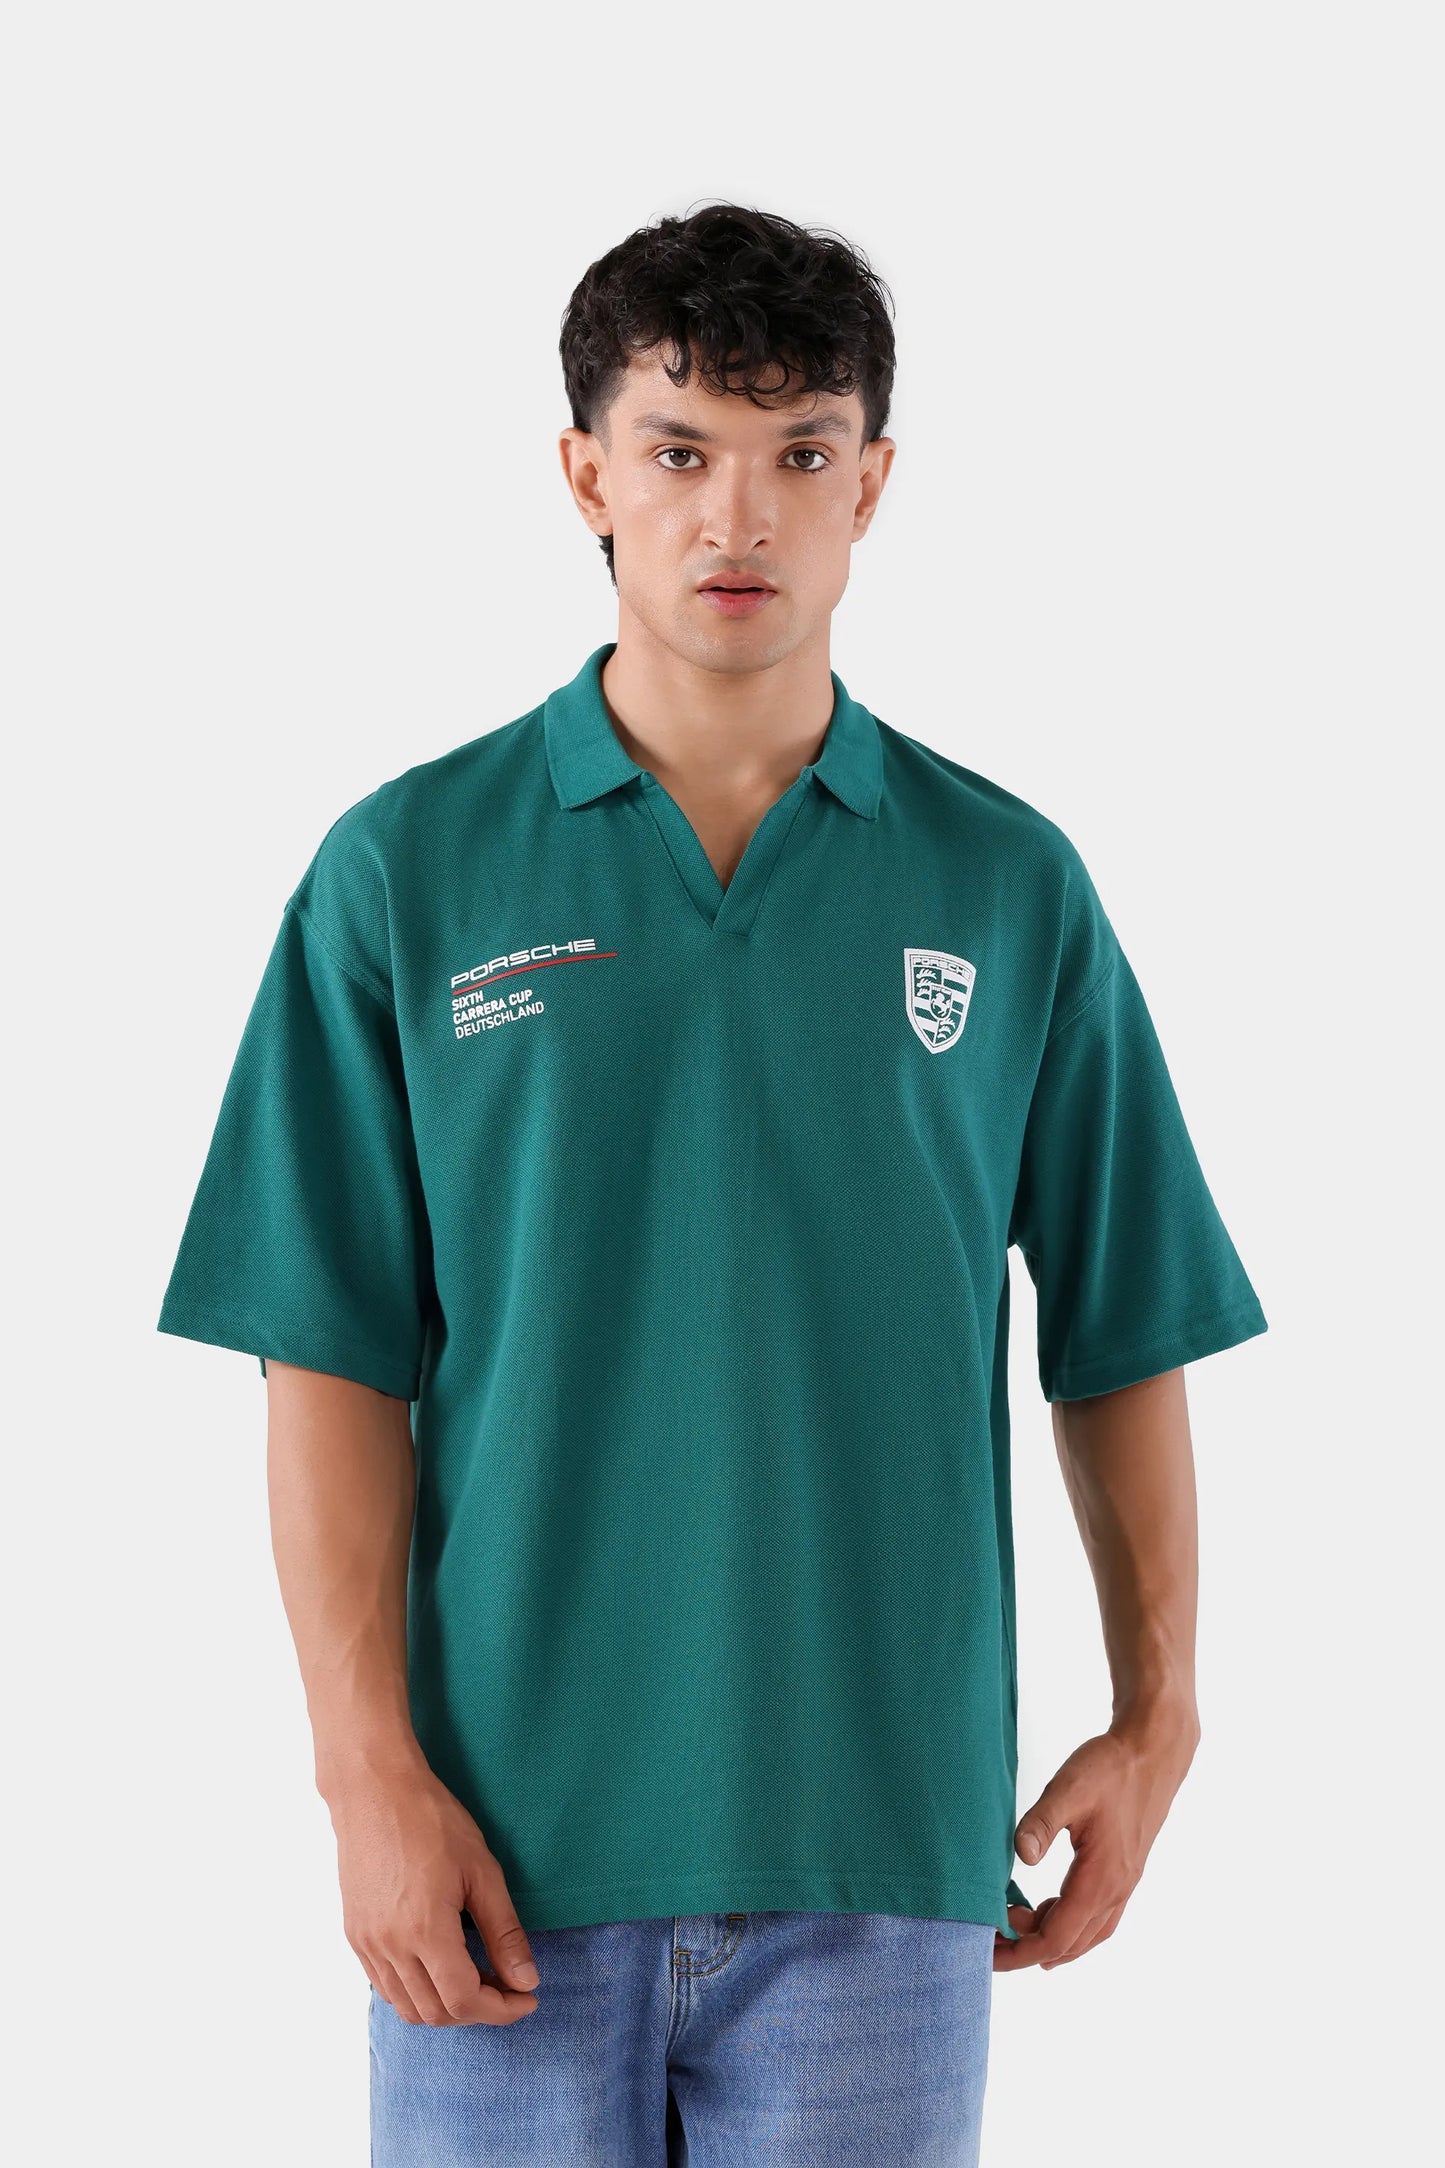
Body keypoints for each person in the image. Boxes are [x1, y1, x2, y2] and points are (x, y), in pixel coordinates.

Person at [157, 202, 1268, 2166]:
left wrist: (1159, 1716)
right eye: (679, 450)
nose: (737, 515)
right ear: (586, 473)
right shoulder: (404, 872)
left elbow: (1124, 1328)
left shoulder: (1008, 884)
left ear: (874, 485)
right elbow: (325, 1356)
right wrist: (363, 1778)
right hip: (500, 1854)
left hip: (884, 1848)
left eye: (800, 453)